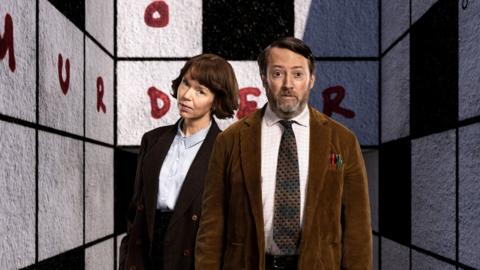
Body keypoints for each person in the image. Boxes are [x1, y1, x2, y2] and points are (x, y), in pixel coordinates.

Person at [195, 37, 372, 270]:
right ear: (264, 79)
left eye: (298, 74)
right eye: (278, 73)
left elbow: (357, 228)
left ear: (311, 80)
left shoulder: (343, 142)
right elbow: (212, 224)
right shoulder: (229, 140)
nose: (288, 84)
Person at [119, 53, 239, 270]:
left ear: (217, 100)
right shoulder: (153, 139)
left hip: (192, 251)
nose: (186, 95)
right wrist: (127, 257)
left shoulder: (225, 149)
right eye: (186, 83)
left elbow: (231, 223)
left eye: (200, 91)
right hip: (146, 251)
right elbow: (136, 208)